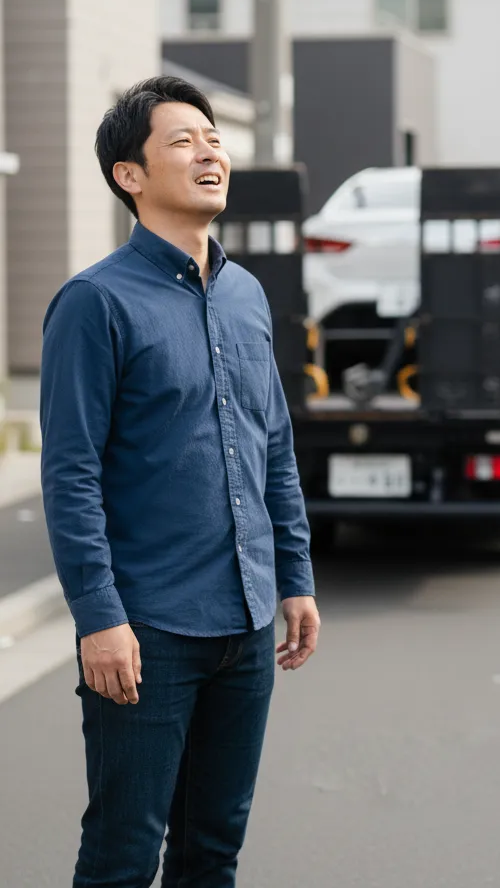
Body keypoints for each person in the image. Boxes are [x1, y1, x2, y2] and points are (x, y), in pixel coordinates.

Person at [39, 75, 321, 887]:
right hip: (148, 629)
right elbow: (71, 475)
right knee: (124, 852)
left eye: (216, 139)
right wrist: (99, 618)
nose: (211, 153)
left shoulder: (246, 294)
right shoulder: (95, 303)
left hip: (246, 620)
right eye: (183, 141)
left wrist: (294, 579)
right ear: (130, 174)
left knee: (213, 851)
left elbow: (272, 448)